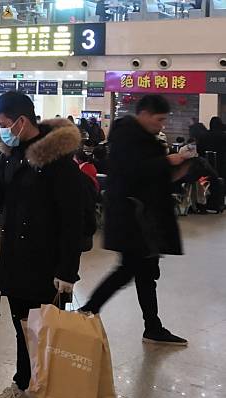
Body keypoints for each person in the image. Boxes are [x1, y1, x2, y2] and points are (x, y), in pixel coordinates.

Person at [0, 91, 84, 398]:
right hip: (17, 258)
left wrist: (67, 271)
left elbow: (73, 219)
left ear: (21, 121)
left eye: (4, 124)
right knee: (23, 330)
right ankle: (23, 384)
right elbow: (9, 201)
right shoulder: (13, 156)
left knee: (47, 334)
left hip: (46, 264)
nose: (0, 130)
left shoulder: (58, 161)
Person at [80, 95, 195, 346]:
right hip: (133, 217)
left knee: (145, 272)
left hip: (146, 217)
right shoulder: (125, 137)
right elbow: (131, 172)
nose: (162, 125)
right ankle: (87, 311)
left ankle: (152, 326)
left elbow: (151, 177)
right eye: (159, 119)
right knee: (129, 269)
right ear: (144, 114)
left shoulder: (145, 139)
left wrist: (181, 168)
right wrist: (167, 161)